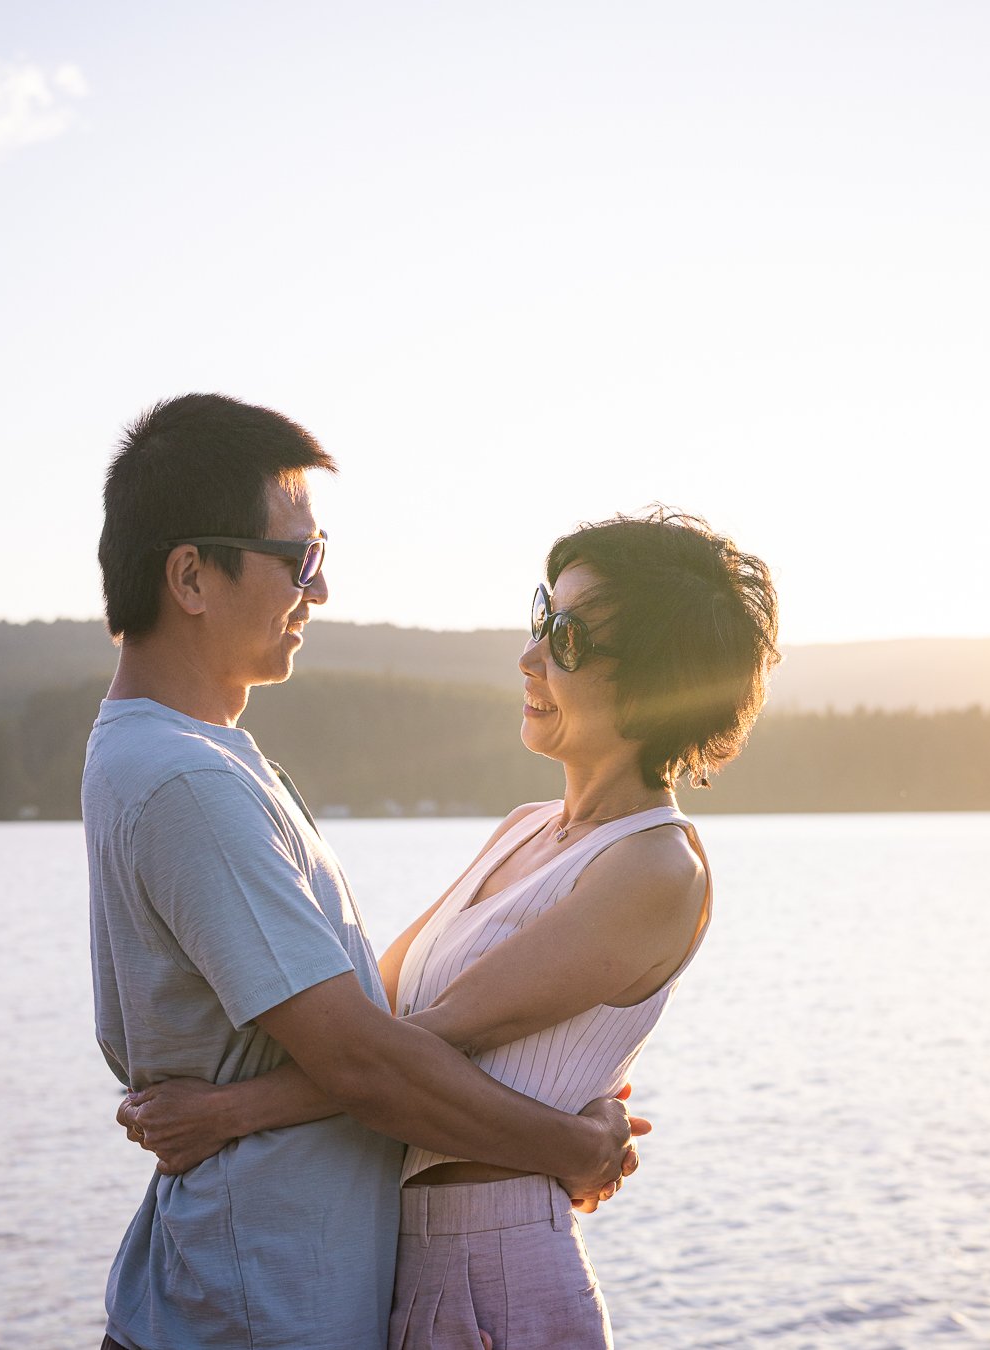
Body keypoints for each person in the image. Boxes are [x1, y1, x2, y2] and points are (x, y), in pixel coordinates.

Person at [120, 505, 781, 1348]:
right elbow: (377, 1015)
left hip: (499, 1275)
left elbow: (417, 1046)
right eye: (544, 615)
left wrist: (225, 1112)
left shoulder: (654, 869)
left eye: (569, 640)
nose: (530, 655)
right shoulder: (521, 828)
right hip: (405, 1270)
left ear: (659, 686)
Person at [85, 393, 640, 1350]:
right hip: (255, 1312)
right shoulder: (185, 780)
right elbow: (364, 1062)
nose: (320, 591)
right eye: (300, 559)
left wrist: (226, 1108)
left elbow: (365, 1028)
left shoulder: (192, 757)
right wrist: (573, 1149)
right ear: (191, 576)